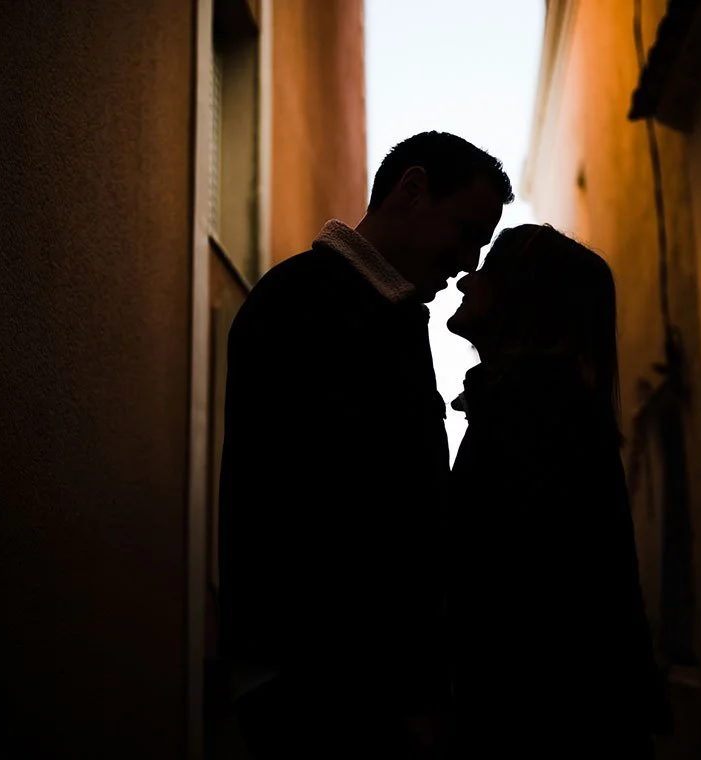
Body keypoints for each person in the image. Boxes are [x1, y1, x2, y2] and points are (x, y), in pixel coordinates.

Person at [217, 132, 513, 758]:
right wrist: (413, 691)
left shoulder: (371, 310)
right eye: (464, 232)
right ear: (412, 189)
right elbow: (343, 515)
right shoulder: (308, 304)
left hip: (335, 681)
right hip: (326, 685)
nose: (466, 263)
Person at [445, 224, 671, 759]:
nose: (465, 281)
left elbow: (520, 597)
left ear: (521, 300)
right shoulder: (542, 407)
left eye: (489, 269)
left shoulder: (535, 414)